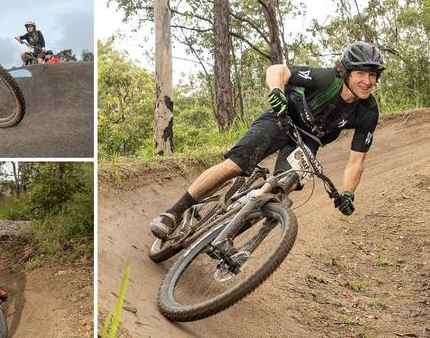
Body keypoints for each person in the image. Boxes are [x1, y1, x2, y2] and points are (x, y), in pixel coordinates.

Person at [150, 41, 385, 240]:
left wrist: (348, 193)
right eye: (361, 73)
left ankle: (224, 238)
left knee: (280, 193)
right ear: (347, 72)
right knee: (236, 165)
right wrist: (276, 91)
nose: (367, 81)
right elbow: (278, 70)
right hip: (282, 118)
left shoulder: (368, 112)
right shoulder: (326, 79)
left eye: (372, 75)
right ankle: (173, 213)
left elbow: (357, 160)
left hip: (308, 141)